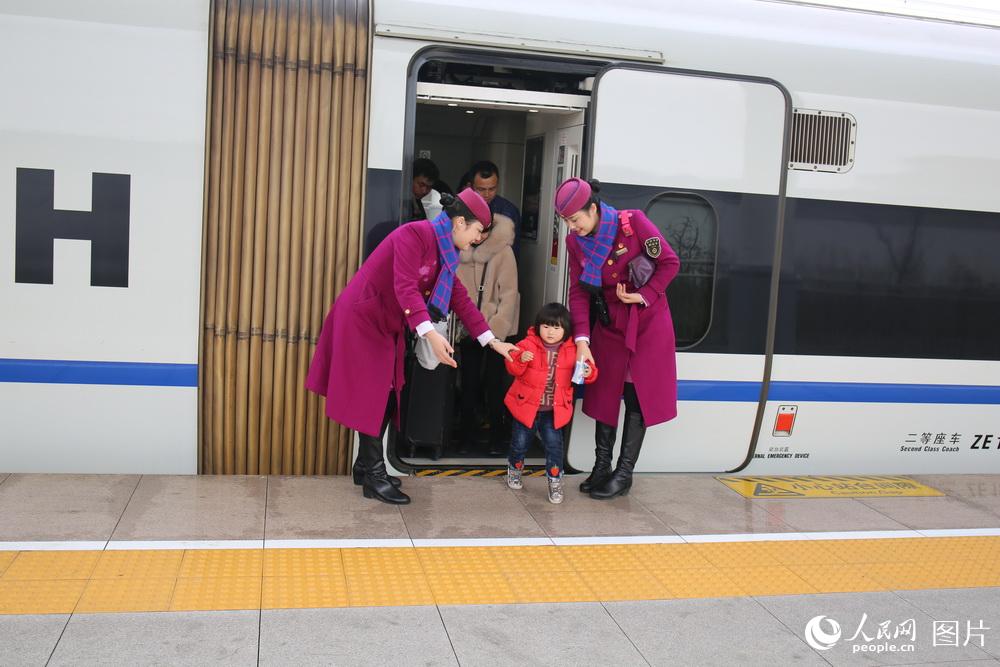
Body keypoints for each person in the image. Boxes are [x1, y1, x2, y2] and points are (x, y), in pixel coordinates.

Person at [306, 188, 519, 505]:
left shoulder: (445, 252)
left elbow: (459, 298)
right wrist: (431, 335)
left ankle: (366, 466)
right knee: (373, 397)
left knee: (389, 394)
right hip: (362, 320)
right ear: (459, 223)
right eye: (477, 231)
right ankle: (374, 477)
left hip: (385, 324)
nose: (478, 239)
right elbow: (404, 287)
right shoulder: (415, 235)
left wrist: (492, 341)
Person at [555, 178, 680, 499]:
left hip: (647, 323)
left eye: (576, 219)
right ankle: (601, 467)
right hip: (609, 324)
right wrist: (582, 337)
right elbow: (579, 292)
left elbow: (670, 262)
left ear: (593, 209)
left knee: (637, 395)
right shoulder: (574, 243)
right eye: (567, 222)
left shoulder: (632, 223)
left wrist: (644, 296)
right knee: (605, 393)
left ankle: (624, 474)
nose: (573, 227)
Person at [504, 303, 598, 504]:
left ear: (566, 330)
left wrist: (589, 373)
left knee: (554, 447)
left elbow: (586, 371)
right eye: (546, 326)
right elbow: (513, 367)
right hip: (527, 407)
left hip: (554, 411)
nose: (550, 332)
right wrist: (520, 358)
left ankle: (555, 481)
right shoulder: (527, 345)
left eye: (556, 327)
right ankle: (514, 470)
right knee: (519, 444)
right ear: (538, 327)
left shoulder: (573, 350)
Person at [456, 211, 520, 456]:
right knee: (468, 383)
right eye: (478, 230)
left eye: (485, 230)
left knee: (495, 386)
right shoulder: (460, 248)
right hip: (468, 328)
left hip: (496, 332)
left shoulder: (503, 251)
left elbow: (509, 295)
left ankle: (498, 438)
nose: (480, 236)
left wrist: (495, 333)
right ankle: (465, 437)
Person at [462, 160, 522, 257]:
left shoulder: (509, 211)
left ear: (497, 185)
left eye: (492, 189)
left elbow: (513, 254)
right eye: (481, 189)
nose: (487, 194)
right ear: (471, 187)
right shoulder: (460, 209)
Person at [407, 158, 440, 222]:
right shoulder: (402, 204)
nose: (424, 191)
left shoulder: (417, 203)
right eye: (421, 185)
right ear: (410, 179)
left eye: (429, 187)